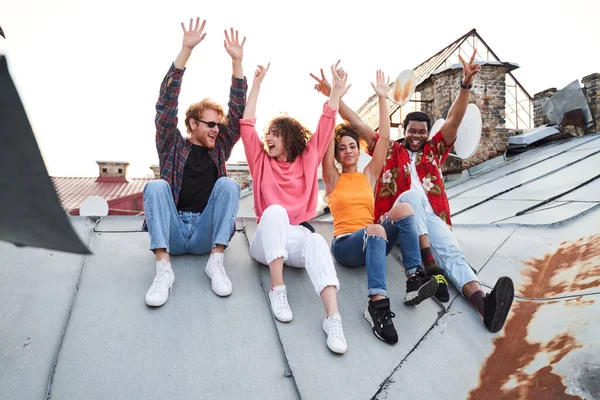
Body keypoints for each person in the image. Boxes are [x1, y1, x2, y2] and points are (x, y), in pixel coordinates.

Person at [312, 50, 514, 333]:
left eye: (422, 131)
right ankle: (426, 268)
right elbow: (358, 125)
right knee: (411, 198)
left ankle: (484, 305)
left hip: (431, 219)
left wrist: (465, 83)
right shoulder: (392, 152)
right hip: (402, 221)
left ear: (428, 133)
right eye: (412, 131)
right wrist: (336, 97)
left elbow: (455, 118)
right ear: (404, 131)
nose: (417, 136)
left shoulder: (435, 151)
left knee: (454, 255)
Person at [321, 70, 438, 345]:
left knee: (405, 210)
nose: (348, 150)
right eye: (342, 148)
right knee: (374, 228)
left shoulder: (368, 175)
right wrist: (333, 95)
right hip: (346, 245)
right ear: (337, 155)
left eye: (352, 146)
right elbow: (324, 139)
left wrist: (383, 98)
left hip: (375, 238)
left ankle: (413, 279)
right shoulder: (332, 178)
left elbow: (384, 139)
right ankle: (377, 304)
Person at [240, 62, 349, 354]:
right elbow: (247, 125)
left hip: (294, 240)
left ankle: (333, 319)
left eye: (276, 133)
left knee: (315, 239)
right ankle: (278, 289)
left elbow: (326, 125)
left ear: (289, 137)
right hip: (265, 242)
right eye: (269, 134)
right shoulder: (261, 161)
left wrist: (336, 91)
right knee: (275, 212)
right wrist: (257, 85)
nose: (269, 138)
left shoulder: (307, 159)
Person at [143, 18, 247, 307]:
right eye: (210, 124)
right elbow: (165, 105)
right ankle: (163, 270)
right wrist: (185, 52)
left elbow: (238, 113)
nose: (216, 129)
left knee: (228, 184)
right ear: (192, 124)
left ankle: (216, 262)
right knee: (156, 187)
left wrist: (237, 63)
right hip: (174, 232)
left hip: (205, 231)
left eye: (218, 124)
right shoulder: (172, 145)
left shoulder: (220, 148)